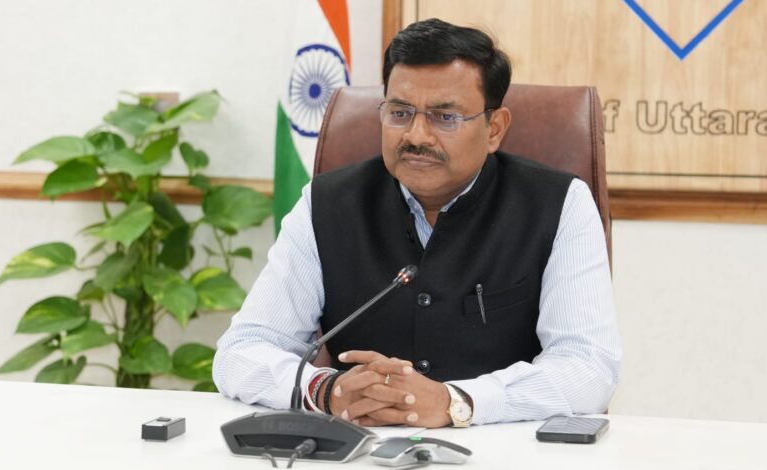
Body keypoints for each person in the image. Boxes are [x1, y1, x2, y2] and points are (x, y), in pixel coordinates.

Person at [213, 18, 621, 428]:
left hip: (504, 445)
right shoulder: (325, 203)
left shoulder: (559, 205)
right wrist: (326, 390)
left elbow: (588, 368)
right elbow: (242, 351)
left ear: (494, 129)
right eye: (400, 112)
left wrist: (457, 401)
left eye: (445, 117)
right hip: (362, 447)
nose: (416, 135)